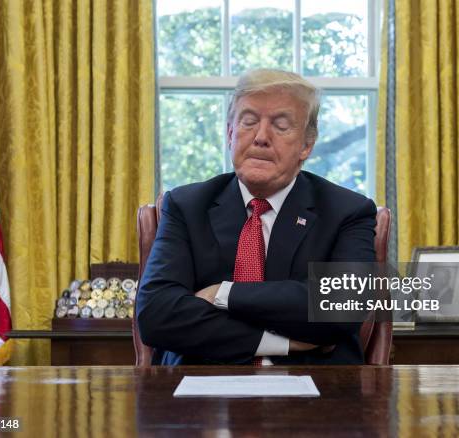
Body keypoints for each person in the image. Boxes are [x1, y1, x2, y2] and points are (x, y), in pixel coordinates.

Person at [136, 69, 377, 365]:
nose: (261, 137)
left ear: (306, 145)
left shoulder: (347, 211)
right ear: (229, 133)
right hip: (202, 391)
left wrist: (222, 293)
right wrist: (281, 343)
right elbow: (156, 315)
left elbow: (343, 307)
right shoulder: (187, 206)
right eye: (249, 122)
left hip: (316, 391)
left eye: (281, 125)